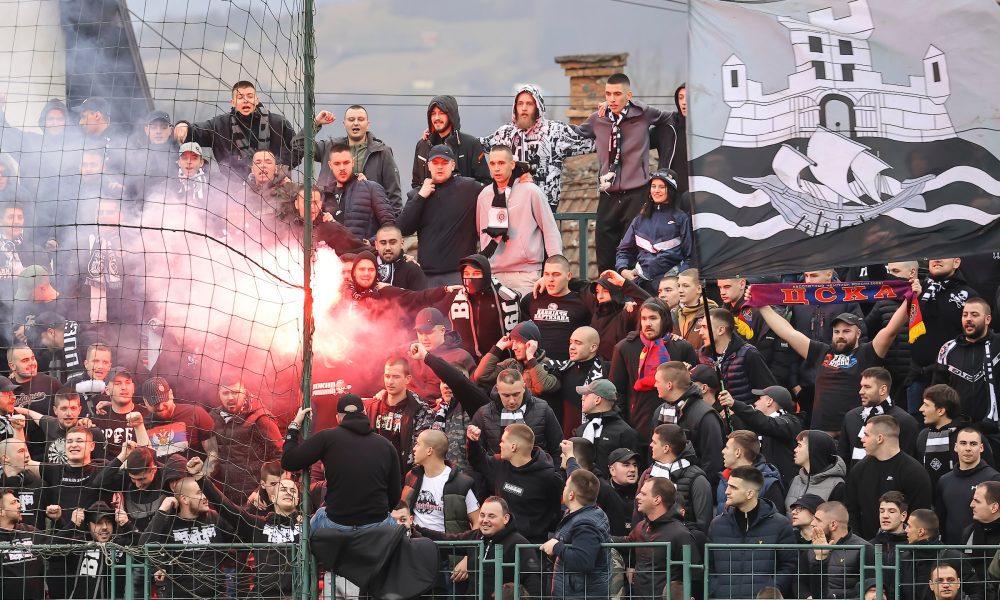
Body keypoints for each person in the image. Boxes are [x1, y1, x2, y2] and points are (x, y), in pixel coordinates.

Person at [752, 277, 914, 434]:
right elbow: (788, 332)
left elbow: (891, 330)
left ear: (858, 333)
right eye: (836, 331)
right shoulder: (821, 352)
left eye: (846, 331)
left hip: (854, 431)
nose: (840, 335)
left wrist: (910, 299)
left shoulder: (868, 352)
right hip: (821, 431)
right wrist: (761, 305)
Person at [573, 73, 674, 272]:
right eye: (608, 94)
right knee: (604, 252)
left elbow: (670, 118)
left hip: (637, 194)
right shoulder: (597, 119)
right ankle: (608, 297)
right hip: (608, 194)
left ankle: (633, 299)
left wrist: (651, 143)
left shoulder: (644, 114)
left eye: (617, 94)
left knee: (635, 253)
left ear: (629, 95)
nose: (611, 99)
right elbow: (574, 135)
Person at [280, 395, 400, 530]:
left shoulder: (326, 438)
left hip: (337, 521)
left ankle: (303, 551)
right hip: (377, 522)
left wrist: (294, 426)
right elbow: (395, 494)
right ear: (365, 413)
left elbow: (288, 461)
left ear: (338, 418)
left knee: (308, 531)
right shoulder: (386, 446)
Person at [190, 459, 301, 600]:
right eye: (282, 489)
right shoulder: (259, 525)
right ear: (272, 497)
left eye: (292, 490)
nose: (288, 493)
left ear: (297, 499)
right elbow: (227, 507)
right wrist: (200, 478)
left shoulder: (307, 524)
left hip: (297, 595)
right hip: (263, 596)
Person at [482, 84, 595, 210]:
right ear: (515, 107)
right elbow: (479, 145)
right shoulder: (506, 133)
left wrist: (609, 122)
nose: (524, 108)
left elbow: (590, 141)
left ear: (538, 107)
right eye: (520, 103)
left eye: (529, 104)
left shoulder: (555, 131)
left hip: (545, 207)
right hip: (512, 205)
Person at [413, 496, 543, 597]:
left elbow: (533, 583)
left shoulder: (519, 544)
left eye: (491, 516)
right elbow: (446, 540)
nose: (485, 520)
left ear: (506, 518)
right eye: (482, 515)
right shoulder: (476, 536)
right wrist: (414, 530)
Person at [609, 297, 698, 444]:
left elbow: (693, 390)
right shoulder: (625, 347)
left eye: (653, 318)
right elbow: (617, 392)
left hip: (674, 429)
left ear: (665, 320)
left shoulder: (682, 347)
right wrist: (624, 427)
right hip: (635, 427)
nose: (648, 324)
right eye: (643, 318)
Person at [476, 145, 561, 296]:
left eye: (501, 163)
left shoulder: (530, 191)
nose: (496, 168)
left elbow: (550, 230)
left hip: (526, 274)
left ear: (512, 164)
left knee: (525, 319)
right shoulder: (484, 195)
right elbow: (481, 232)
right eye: (493, 163)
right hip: (494, 273)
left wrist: (554, 269)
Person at [139, 475, 237, 600]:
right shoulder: (169, 522)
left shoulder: (215, 517)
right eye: (199, 493)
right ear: (184, 499)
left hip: (215, 594)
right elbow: (143, 546)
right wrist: (162, 510)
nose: (205, 497)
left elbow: (241, 535)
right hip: (179, 595)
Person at [398, 145, 484, 286]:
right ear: (428, 165)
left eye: (444, 163)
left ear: (453, 165)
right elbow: (402, 229)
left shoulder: (469, 188)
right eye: (435, 163)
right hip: (426, 276)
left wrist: (522, 176)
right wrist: (421, 197)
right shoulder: (417, 194)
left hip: (460, 274)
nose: (440, 167)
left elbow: (496, 189)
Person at [173, 80, 297, 178]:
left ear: (257, 99)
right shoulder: (220, 125)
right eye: (240, 97)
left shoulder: (278, 123)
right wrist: (183, 126)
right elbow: (197, 131)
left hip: (277, 188)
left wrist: (282, 168)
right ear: (232, 102)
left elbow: (297, 149)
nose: (245, 100)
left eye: (250, 96)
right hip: (234, 192)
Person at [708, 466, 797, 599]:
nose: (726, 491)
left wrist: (771, 592)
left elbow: (789, 566)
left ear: (750, 493)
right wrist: (716, 590)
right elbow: (709, 567)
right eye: (727, 486)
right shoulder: (717, 525)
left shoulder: (780, 525)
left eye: (733, 487)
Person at [467, 423, 563, 544]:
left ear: (513, 446)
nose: (499, 444)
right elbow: (478, 461)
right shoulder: (500, 464)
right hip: (501, 544)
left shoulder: (548, 477)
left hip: (531, 547)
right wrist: (473, 442)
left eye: (502, 441)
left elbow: (555, 512)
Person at [293, 104, 402, 210]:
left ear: (368, 124)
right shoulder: (330, 147)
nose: (356, 123)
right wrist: (315, 123)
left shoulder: (382, 152)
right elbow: (297, 145)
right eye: (351, 119)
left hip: (367, 219)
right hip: (329, 217)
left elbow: (393, 195)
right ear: (344, 124)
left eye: (360, 119)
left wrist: (392, 226)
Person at [845, 415, 932, 539]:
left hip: (903, 552)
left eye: (866, 435)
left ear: (880, 438)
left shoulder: (914, 472)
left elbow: (920, 516)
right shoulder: (859, 469)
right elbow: (851, 510)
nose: (862, 439)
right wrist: (860, 545)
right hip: (866, 550)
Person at [910, 258, 978, 412]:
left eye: (944, 255)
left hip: (951, 380)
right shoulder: (917, 288)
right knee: (918, 433)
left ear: (956, 263)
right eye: (933, 255)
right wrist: (914, 297)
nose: (937, 259)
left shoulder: (969, 296)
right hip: (917, 377)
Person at [615, 476, 698, 600]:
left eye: (643, 494)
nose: (637, 497)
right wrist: (598, 537)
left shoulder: (681, 534)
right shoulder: (640, 527)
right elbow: (627, 544)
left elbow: (696, 576)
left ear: (657, 499)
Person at [207, 376, 283, 505]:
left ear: (245, 391)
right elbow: (212, 457)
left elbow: (280, 456)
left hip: (255, 497)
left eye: (235, 392)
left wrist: (262, 490)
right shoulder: (213, 417)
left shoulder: (260, 418)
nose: (230, 397)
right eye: (225, 393)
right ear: (219, 394)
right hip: (225, 498)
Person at [615, 169, 692, 293]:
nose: (656, 191)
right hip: (641, 283)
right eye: (653, 186)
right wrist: (623, 270)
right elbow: (623, 250)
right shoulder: (639, 219)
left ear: (671, 190)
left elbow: (689, 256)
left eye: (662, 187)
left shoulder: (682, 219)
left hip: (670, 285)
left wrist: (679, 281)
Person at [541, 469, 613, 600]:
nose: (564, 488)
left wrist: (557, 547)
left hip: (580, 595)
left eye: (566, 486)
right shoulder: (585, 513)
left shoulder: (585, 524)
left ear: (571, 495)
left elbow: (584, 560)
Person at [652, 361, 725, 489]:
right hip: (662, 489)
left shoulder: (706, 416)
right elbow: (653, 451)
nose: (654, 385)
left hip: (693, 492)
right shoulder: (659, 412)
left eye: (657, 381)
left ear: (669, 385)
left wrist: (693, 488)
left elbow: (713, 461)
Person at [934, 297, 1000, 437]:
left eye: (974, 315)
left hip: (994, 431)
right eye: (965, 315)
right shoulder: (947, 350)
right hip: (959, 430)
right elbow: (937, 392)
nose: (968, 319)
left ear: (988, 319)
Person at [468, 368, 562, 459]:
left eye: (516, 394)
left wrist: (556, 474)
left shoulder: (543, 408)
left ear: (524, 387)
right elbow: (476, 460)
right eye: (506, 395)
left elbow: (558, 449)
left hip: (536, 473)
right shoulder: (484, 414)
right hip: (499, 473)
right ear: (498, 390)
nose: (512, 401)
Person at [441, 253, 522, 360]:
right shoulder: (455, 296)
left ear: (486, 274)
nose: (470, 278)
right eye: (466, 273)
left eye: (476, 273)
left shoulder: (505, 297)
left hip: (500, 362)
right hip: (465, 362)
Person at [365, 357, 442, 468]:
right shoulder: (372, 407)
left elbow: (424, 452)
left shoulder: (420, 410)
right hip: (375, 475)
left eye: (396, 377)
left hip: (404, 477)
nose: (390, 382)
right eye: (387, 376)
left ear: (407, 379)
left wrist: (412, 481)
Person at [719, 386, 801, 487]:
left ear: (769, 401)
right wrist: (737, 415)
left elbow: (766, 424)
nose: (755, 403)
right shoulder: (760, 422)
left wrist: (736, 405)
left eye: (760, 398)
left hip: (782, 486)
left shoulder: (790, 422)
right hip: (761, 481)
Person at [639, 423, 713, 533]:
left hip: (683, 545)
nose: (650, 445)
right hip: (650, 542)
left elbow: (703, 524)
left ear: (666, 448)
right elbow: (638, 514)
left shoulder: (697, 479)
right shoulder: (648, 474)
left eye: (654, 442)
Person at [839, 367, 920, 466]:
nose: (861, 391)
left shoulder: (905, 421)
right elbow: (843, 459)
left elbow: (907, 464)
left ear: (883, 390)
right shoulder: (851, 417)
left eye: (867, 387)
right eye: (861, 386)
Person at [935, 427, 1000, 544]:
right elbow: (940, 520)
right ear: (955, 447)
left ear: (981, 448)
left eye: (973, 444)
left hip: (982, 553)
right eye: (963, 443)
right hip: (950, 552)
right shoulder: (944, 481)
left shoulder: (994, 479)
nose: (968, 448)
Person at [320, 142, 396, 241]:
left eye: (346, 162)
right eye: (337, 163)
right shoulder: (324, 195)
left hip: (364, 254)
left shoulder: (371, 188)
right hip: (331, 254)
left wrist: (372, 242)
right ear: (330, 165)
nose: (342, 168)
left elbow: (389, 224)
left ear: (353, 162)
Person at [701, 308, 778, 405]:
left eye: (705, 327)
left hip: (745, 418)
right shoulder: (702, 355)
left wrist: (742, 410)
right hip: (714, 417)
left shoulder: (749, 354)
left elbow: (769, 394)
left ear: (721, 330)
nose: (700, 332)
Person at [523, 255, 591, 362]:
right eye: (546, 274)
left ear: (568, 276)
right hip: (536, 365)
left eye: (556, 275)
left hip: (568, 367)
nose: (550, 279)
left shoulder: (582, 302)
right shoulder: (531, 299)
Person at [412, 95, 490, 187]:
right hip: (428, 201)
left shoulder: (471, 144)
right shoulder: (422, 145)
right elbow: (415, 184)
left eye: (441, 113)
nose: (437, 117)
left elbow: (485, 183)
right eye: (433, 113)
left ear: (451, 115)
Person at [806, 501, 874, 600]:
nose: (812, 523)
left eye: (818, 520)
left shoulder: (864, 549)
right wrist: (806, 596)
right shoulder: (813, 547)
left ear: (833, 525)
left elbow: (869, 587)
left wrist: (835, 597)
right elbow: (800, 581)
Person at [572, 379, 640, 477]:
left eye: (586, 395)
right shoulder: (581, 430)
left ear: (597, 400)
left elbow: (635, 467)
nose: (582, 398)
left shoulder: (625, 432)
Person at [405, 307, 475, 400]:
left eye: (429, 332)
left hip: (445, 412)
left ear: (442, 331)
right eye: (420, 333)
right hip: (410, 410)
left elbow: (474, 393)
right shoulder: (410, 354)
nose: (424, 338)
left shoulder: (461, 357)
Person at [898, 510, 970, 600]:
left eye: (909, 526)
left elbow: (975, 591)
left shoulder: (956, 558)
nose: (906, 530)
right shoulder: (904, 558)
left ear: (921, 531)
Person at [473, 321, 559, 395]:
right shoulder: (510, 364)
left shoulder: (550, 364)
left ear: (531, 343)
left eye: (518, 342)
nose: (513, 347)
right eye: (512, 342)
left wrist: (530, 356)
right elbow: (481, 376)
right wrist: (498, 347)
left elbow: (543, 387)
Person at [550, 326, 608, 436]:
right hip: (564, 437)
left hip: (592, 437)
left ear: (593, 347)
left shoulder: (605, 373)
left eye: (578, 343)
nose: (571, 347)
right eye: (571, 342)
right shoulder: (562, 368)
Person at [140, 376, 215, 459]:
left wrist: (203, 472)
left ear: (171, 394)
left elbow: (213, 454)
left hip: (193, 471)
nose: (160, 407)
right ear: (145, 401)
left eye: (163, 400)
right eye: (155, 403)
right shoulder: (142, 426)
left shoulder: (195, 413)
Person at [715, 430, 787, 515]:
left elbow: (776, 523)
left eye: (727, 447)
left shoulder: (769, 484)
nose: (723, 451)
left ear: (738, 452)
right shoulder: (724, 478)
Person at [915, 384, 966, 488]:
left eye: (926, 405)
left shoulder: (968, 437)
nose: (921, 409)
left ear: (941, 411)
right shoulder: (923, 436)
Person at [785, 430, 847, 512]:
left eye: (799, 445)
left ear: (813, 449)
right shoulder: (795, 480)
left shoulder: (837, 486)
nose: (795, 450)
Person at [0, 488, 45, 600]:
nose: (20, 505)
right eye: (13, 502)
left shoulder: (30, 531)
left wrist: (68, 524)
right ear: (1, 511)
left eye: (18, 501)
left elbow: (55, 546)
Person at [652, 84, 688, 195]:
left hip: (702, 198)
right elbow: (636, 140)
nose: (684, 102)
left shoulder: (708, 130)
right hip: (671, 199)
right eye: (680, 97)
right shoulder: (668, 127)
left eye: (688, 98)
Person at [672, 269, 718, 349]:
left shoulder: (711, 314)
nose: (680, 290)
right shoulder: (674, 314)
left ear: (699, 289)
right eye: (678, 286)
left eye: (686, 286)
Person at [374, 224, 426, 290]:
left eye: (392, 242)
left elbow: (421, 299)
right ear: (376, 245)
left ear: (402, 243)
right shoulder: (367, 268)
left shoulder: (413, 270)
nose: (388, 248)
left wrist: (391, 290)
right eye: (383, 243)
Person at [607, 447, 640, 531]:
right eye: (626, 465)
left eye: (635, 465)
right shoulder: (603, 493)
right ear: (612, 470)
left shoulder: (643, 491)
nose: (633, 470)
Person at [870, 491, 909, 556]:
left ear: (903, 516)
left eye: (891, 511)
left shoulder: (913, 547)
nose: (885, 516)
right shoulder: (869, 547)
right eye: (882, 511)